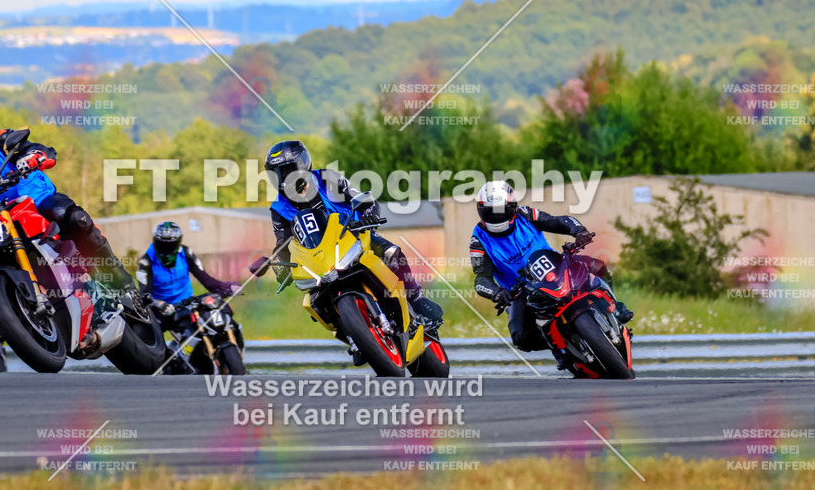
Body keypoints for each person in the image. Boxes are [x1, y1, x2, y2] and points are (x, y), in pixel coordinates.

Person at [0, 100, 140, 347]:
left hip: (34, 200)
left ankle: (120, 282)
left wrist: (32, 157)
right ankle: (14, 313)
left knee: (74, 218)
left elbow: (40, 151)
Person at [262, 140, 443, 346]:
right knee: (314, 302)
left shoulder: (326, 178)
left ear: (303, 164)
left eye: (287, 170)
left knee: (392, 253)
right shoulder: (278, 208)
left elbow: (364, 199)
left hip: (353, 235)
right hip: (318, 258)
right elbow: (283, 243)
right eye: (276, 173)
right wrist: (280, 267)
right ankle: (352, 333)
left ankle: (417, 299)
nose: (283, 178)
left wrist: (368, 215)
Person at [469, 180, 632, 370]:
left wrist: (578, 231)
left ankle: (615, 307)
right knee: (521, 337)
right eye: (490, 211)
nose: (496, 217)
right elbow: (481, 278)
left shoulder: (526, 214)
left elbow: (558, 221)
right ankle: (561, 349)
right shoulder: (478, 240)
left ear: (512, 207)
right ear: (480, 210)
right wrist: (497, 292)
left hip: (555, 267)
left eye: (500, 210)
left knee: (598, 266)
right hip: (520, 290)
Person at [137, 221, 240, 373]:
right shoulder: (146, 262)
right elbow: (145, 293)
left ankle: (226, 351)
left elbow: (206, 279)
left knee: (216, 316)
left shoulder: (186, 253)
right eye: (162, 244)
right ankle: (166, 365)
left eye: (171, 244)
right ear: (155, 242)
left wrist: (227, 287)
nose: (167, 249)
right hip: (160, 309)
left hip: (186, 305)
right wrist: (157, 304)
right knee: (148, 336)